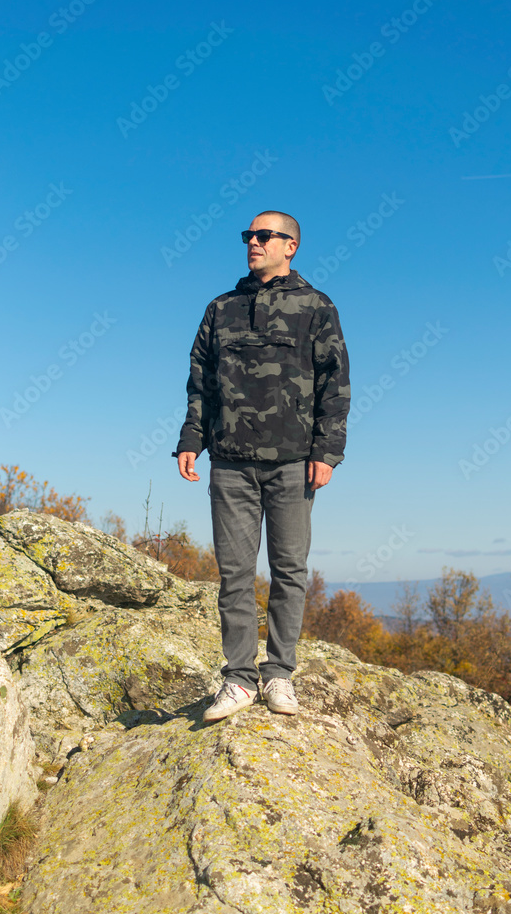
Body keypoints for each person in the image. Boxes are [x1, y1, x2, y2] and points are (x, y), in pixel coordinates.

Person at [173, 210, 350, 721]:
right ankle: (238, 680)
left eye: (264, 235)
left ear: (290, 245)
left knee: (289, 571)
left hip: (293, 463)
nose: (253, 241)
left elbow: (334, 385)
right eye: (249, 235)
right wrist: (191, 438)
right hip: (230, 463)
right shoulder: (220, 308)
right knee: (234, 574)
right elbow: (200, 380)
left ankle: (279, 676)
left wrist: (326, 451)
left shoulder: (317, 306)